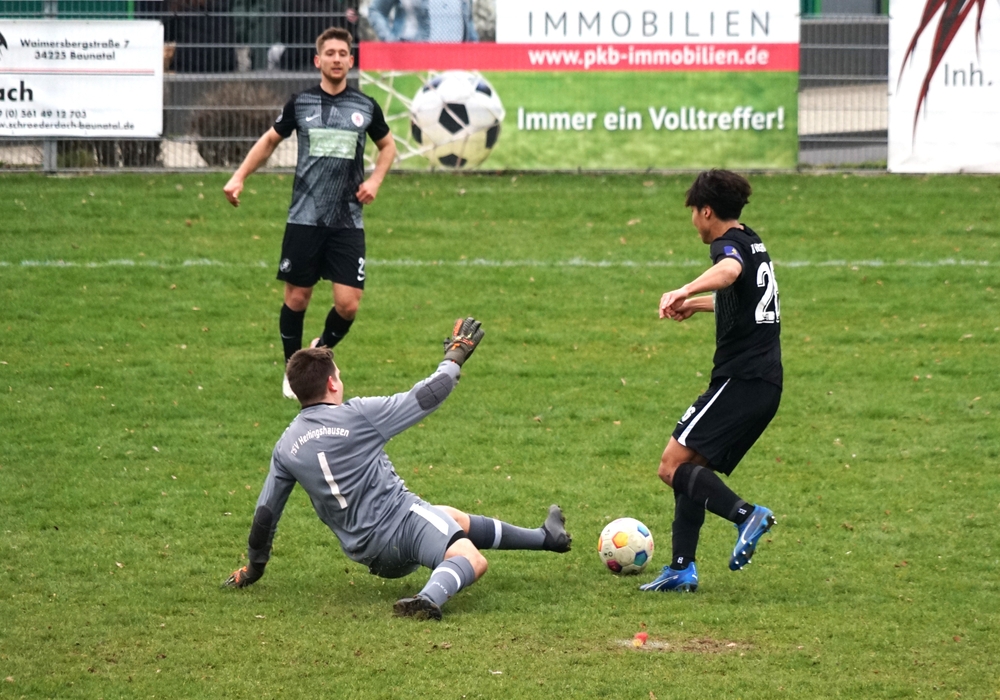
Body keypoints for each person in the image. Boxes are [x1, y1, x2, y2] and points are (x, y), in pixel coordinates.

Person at [223, 318, 573, 620]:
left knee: (449, 516)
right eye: (339, 376)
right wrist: (455, 355)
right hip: (401, 525)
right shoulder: (357, 416)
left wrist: (253, 569)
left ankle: (545, 538)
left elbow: (265, 516)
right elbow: (429, 394)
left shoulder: (285, 446)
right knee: (472, 559)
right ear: (332, 384)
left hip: (368, 553)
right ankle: (429, 598)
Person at [223, 26, 397, 399]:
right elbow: (270, 140)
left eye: (343, 53)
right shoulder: (300, 104)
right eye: (329, 53)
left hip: (347, 220)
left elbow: (388, 146)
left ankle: (320, 347)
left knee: (348, 304)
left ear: (351, 60)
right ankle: (293, 371)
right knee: (297, 298)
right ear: (318, 60)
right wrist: (239, 177)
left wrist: (375, 181)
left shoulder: (366, 106)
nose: (336, 59)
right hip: (304, 218)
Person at [640, 170, 782, 593]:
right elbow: (743, 298)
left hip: (742, 381)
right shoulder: (751, 239)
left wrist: (684, 290)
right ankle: (681, 569)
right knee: (691, 468)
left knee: (671, 466)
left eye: (693, 213)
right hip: (762, 384)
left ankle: (747, 515)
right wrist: (699, 305)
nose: (693, 222)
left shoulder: (727, 247)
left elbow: (730, 272)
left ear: (706, 211)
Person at [367, 0, 478, 42]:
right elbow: (377, 11)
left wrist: (474, 47)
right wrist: (391, 42)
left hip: (458, 61)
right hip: (413, 60)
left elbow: (468, 19)